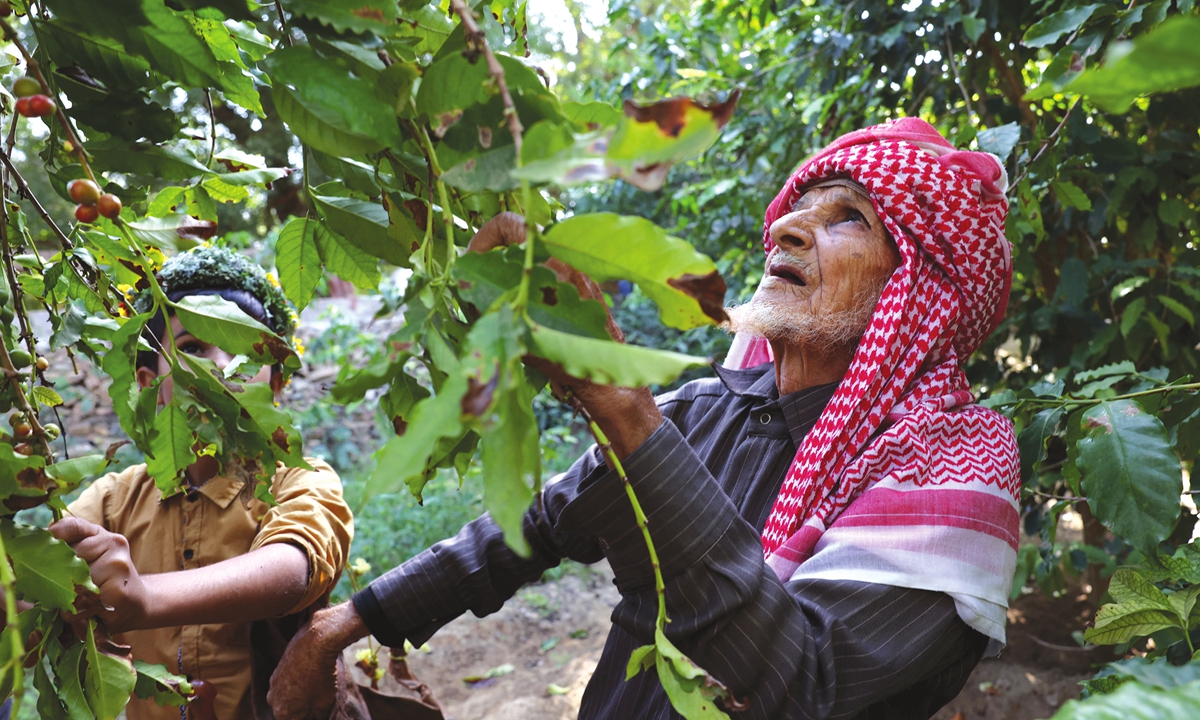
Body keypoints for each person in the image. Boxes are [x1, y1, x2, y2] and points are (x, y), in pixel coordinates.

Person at [267, 118, 1020, 720]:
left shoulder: (949, 469)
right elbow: (534, 526)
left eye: (848, 217)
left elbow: (804, 685)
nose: (789, 228)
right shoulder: (705, 413)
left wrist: (621, 405)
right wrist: (342, 625)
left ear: (918, 289)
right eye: (797, 207)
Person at [50, 244, 354, 720]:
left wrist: (145, 597)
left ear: (275, 385)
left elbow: (293, 566)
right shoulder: (114, 500)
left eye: (246, 350)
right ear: (151, 383)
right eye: (193, 348)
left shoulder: (300, 479)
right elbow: (40, 583)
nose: (223, 368)